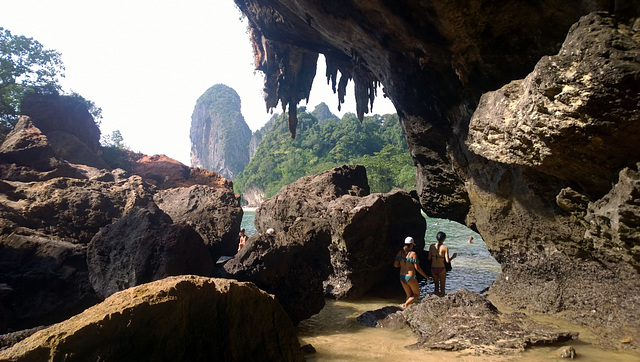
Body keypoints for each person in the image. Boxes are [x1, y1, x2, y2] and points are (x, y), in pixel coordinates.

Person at [394, 236, 431, 308]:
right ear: (411, 245)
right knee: (416, 295)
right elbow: (417, 268)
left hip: (402, 276)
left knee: (409, 295)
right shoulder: (413, 254)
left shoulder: (400, 253)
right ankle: (405, 305)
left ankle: (406, 309)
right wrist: (426, 276)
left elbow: (395, 265)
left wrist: (402, 265)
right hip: (410, 276)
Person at [428, 231, 457, 297]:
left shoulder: (431, 246)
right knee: (442, 289)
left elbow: (429, 258)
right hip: (441, 269)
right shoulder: (445, 248)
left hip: (433, 268)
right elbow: (447, 261)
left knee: (436, 288)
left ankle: (435, 301)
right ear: (443, 239)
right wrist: (453, 257)